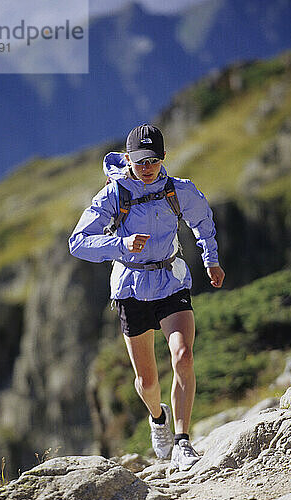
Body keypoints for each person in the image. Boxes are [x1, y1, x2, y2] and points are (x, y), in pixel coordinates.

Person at [69, 123, 225, 471]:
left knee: (183, 356)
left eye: (153, 160)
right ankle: (158, 417)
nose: (146, 167)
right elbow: (78, 242)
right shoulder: (113, 195)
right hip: (131, 288)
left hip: (171, 282)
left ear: (164, 157)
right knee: (147, 380)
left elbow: (203, 221)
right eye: (140, 161)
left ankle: (183, 441)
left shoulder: (178, 191)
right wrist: (120, 244)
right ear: (127, 159)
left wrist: (210, 260)